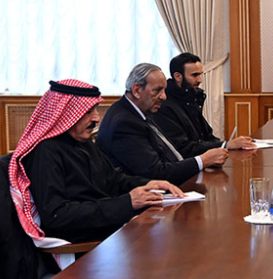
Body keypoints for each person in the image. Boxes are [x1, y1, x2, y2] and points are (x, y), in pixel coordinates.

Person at [16, 79, 185, 244]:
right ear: (65, 114)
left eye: (95, 110)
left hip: (107, 231)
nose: (96, 118)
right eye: (88, 112)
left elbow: (113, 180)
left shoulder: (83, 142)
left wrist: (149, 184)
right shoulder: (46, 152)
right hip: (82, 244)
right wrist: (127, 203)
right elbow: (57, 215)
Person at [98, 63, 229, 186]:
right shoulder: (124, 122)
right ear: (137, 90)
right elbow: (155, 173)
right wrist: (203, 161)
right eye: (157, 90)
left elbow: (167, 155)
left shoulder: (138, 111)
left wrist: (203, 161)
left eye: (164, 90)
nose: (164, 97)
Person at [153, 52, 255, 156]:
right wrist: (226, 145)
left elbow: (208, 137)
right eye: (194, 75)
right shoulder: (164, 106)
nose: (200, 80)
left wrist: (231, 144)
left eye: (200, 74)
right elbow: (183, 148)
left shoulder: (192, 98)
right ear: (178, 76)